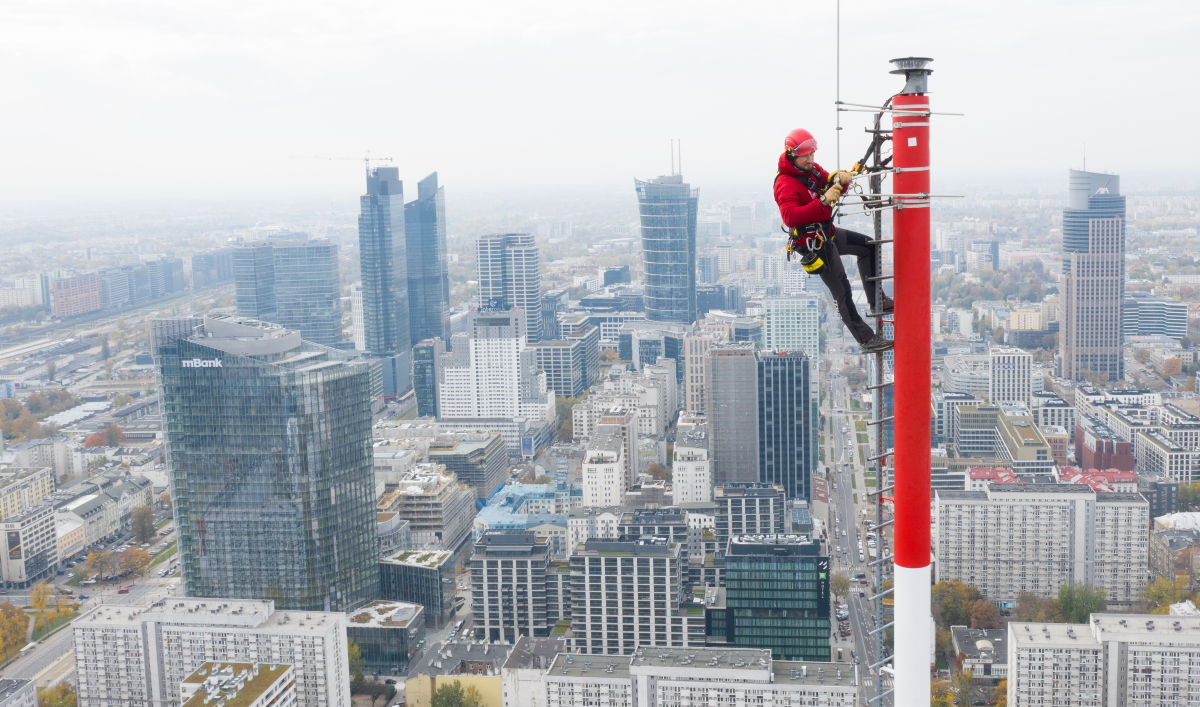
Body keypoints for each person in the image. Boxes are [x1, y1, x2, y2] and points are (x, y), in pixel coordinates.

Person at [773, 128, 893, 353]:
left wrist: (842, 181)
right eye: (806, 156)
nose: (811, 159)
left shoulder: (813, 170)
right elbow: (790, 217)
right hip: (814, 243)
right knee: (843, 291)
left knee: (867, 246)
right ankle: (866, 340)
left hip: (827, 232)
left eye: (812, 154)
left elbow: (832, 189)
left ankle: (878, 300)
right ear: (792, 155)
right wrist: (822, 202)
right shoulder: (786, 184)